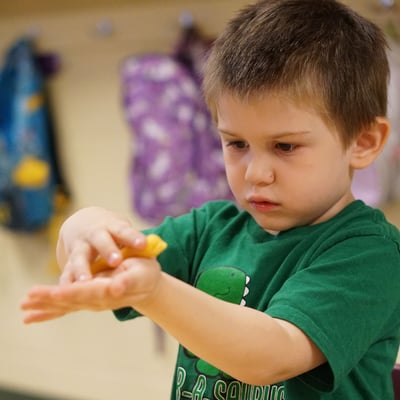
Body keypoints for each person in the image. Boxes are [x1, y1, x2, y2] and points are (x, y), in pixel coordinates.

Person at [21, 0, 400, 399]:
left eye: (285, 146)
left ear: (363, 142)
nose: (255, 173)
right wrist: (83, 229)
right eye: (236, 143)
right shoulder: (209, 228)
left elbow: (270, 356)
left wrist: (154, 291)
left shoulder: (369, 254)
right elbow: (103, 268)